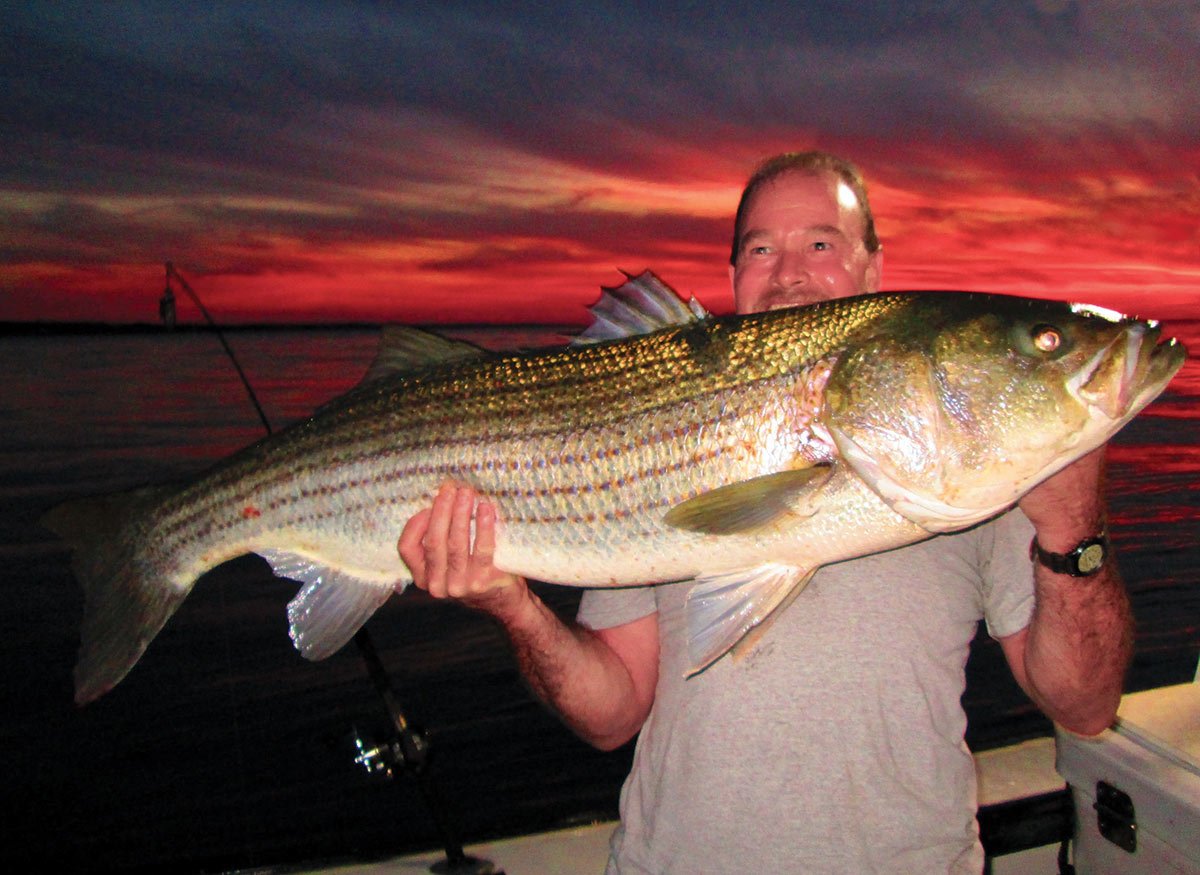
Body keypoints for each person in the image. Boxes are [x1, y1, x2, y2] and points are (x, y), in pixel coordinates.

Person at [397, 151, 1132, 873]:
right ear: (735, 278)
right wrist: (514, 606)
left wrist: (1075, 529)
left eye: (821, 242)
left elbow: (1086, 706)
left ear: (872, 271)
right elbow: (611, 714)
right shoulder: (649, 417)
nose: (788, 271)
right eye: (761, 249)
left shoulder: (988, 478)